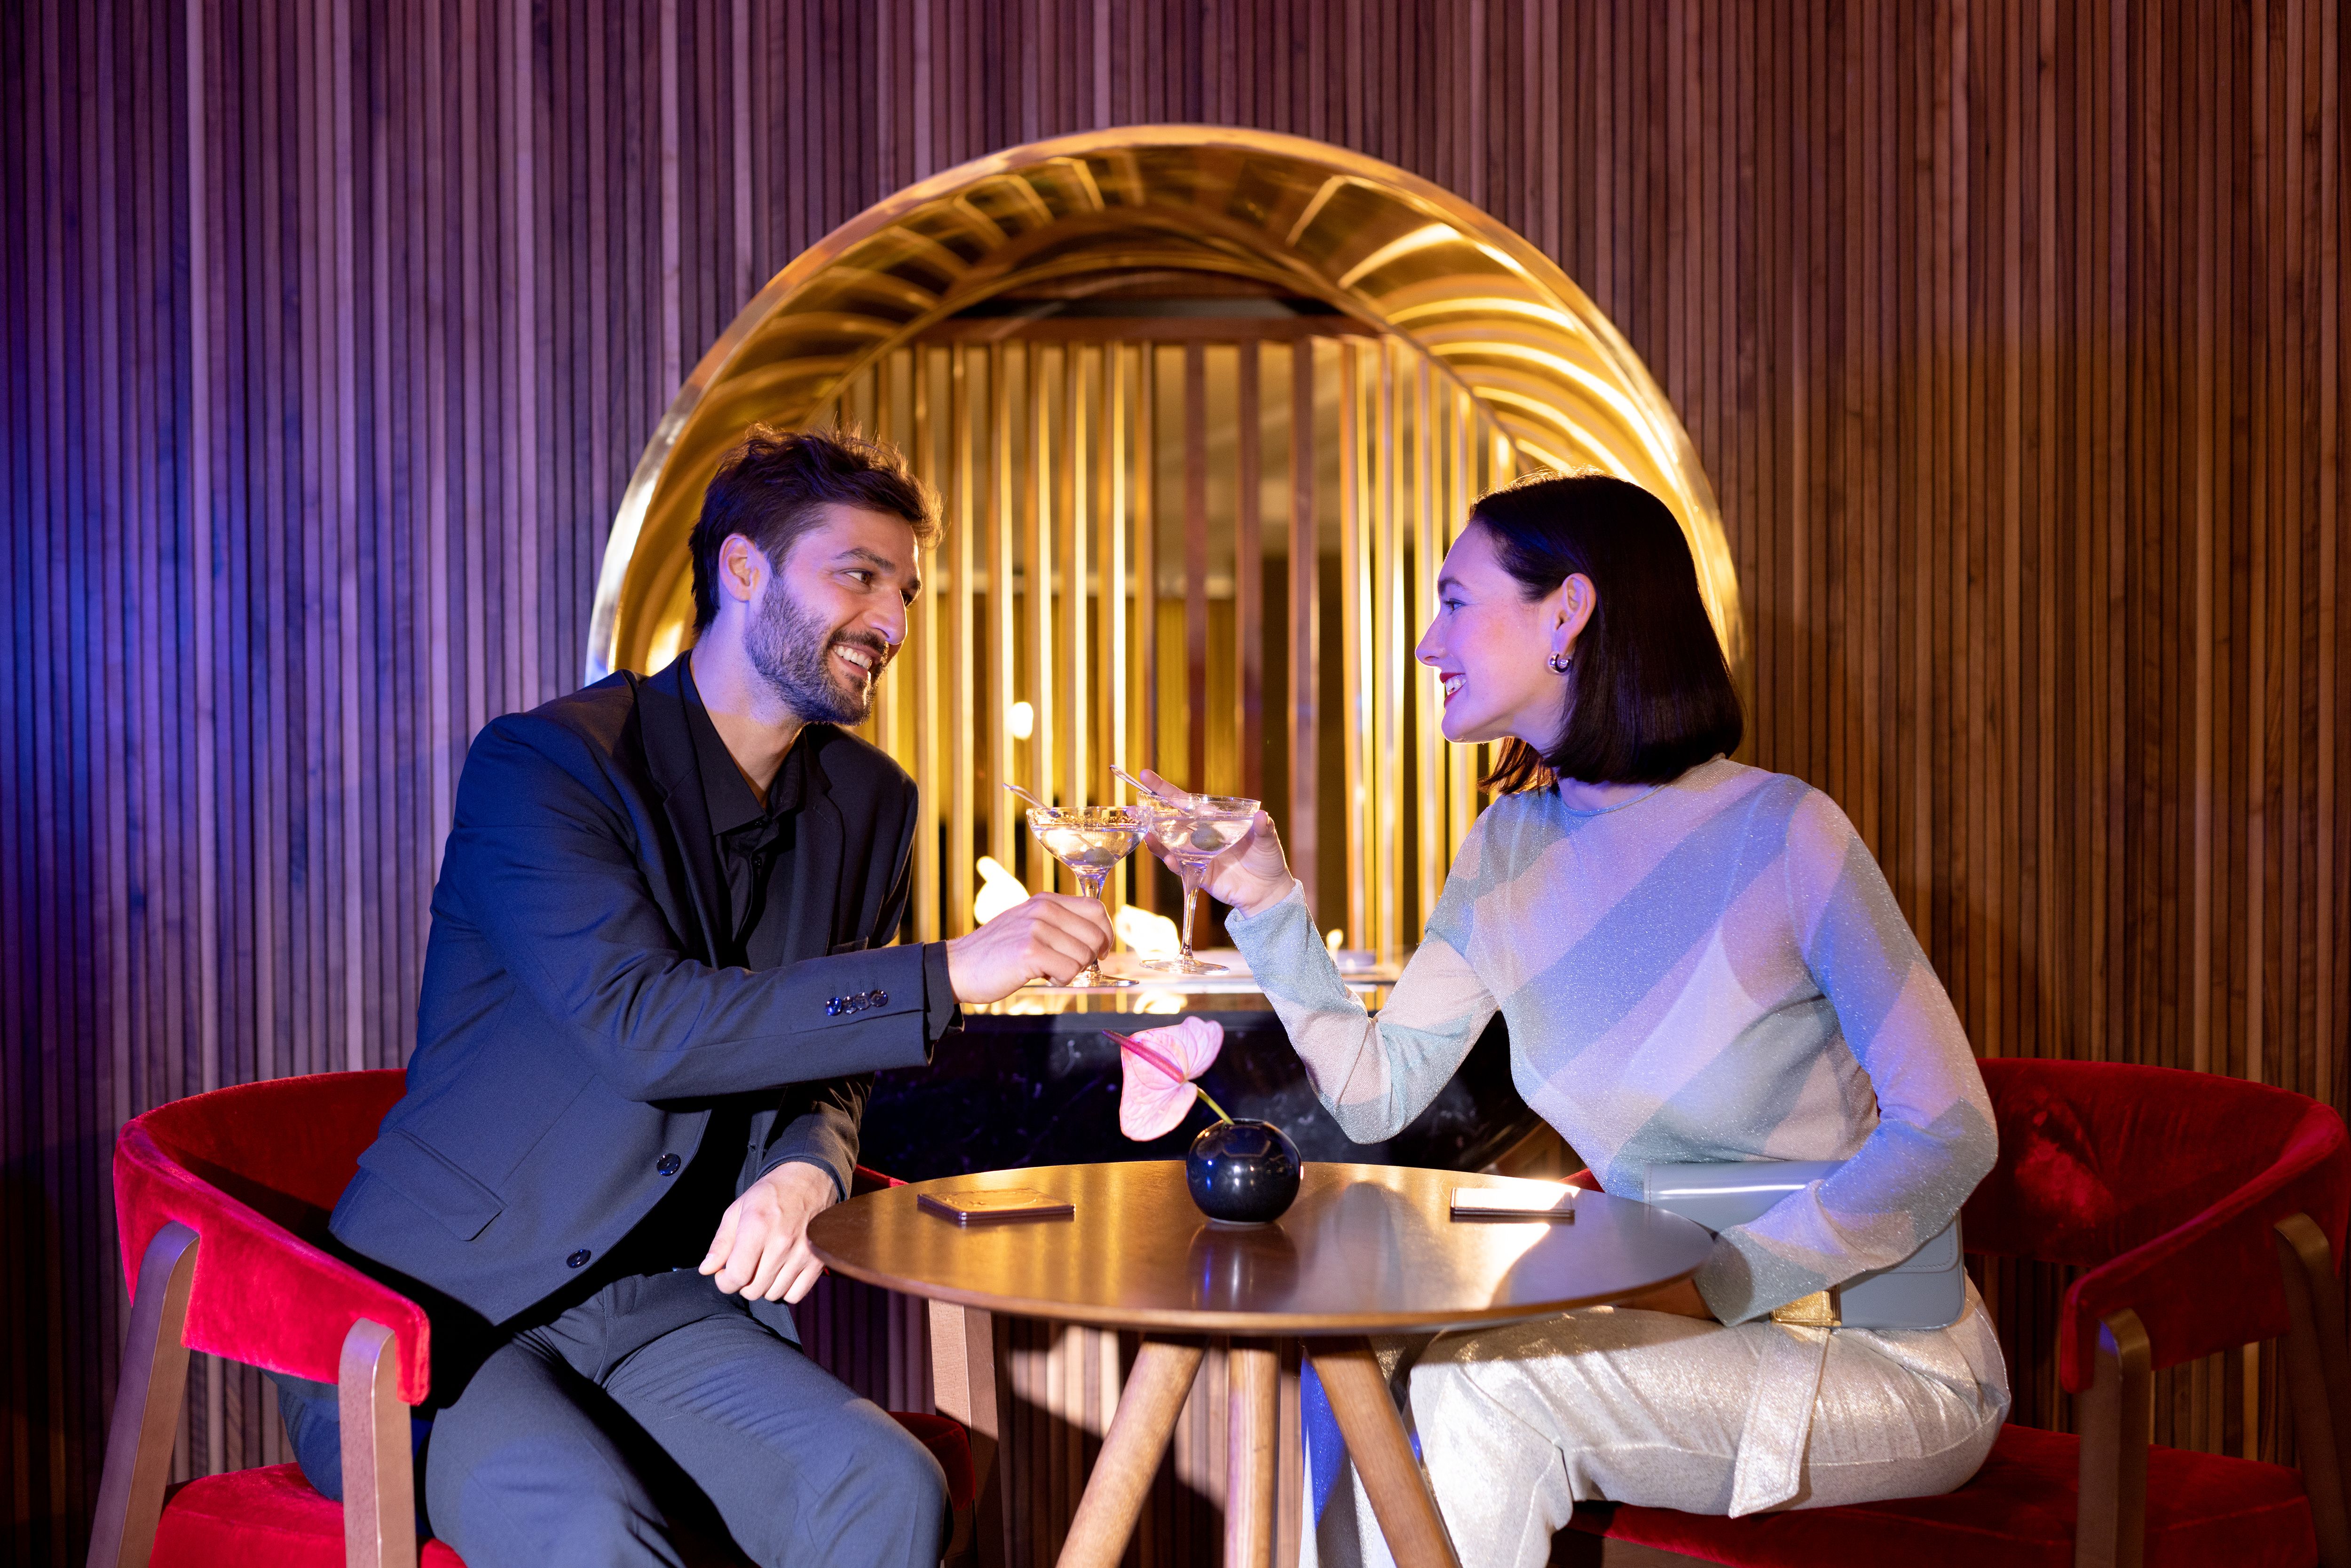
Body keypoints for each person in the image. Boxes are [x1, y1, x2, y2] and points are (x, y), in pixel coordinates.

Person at [279, 426, 1114, 1568]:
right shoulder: (545, 766)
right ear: (742, 571)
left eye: (906, 592)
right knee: (593, 1532)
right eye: (858, 576)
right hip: (441, 1314)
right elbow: (646, 1027)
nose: (894, 623)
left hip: (667, 1305)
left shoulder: (872, 803)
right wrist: (950, 969)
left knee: (886, 1489)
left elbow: (831, 1065)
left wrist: (805, 1166)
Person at [1157, 473, 2009, 1568]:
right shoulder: (1505, 850)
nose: (1427, 643)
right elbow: (1376, 1096)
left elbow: (1951, 1131)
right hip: (1658, 1326)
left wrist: (1721, 1284)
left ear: (1567, 611)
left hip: (1878, 1356)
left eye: (1455, 601)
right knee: (1348, 1371)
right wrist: (1268, 906)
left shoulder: (1790, 837)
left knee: (1487, 1386)